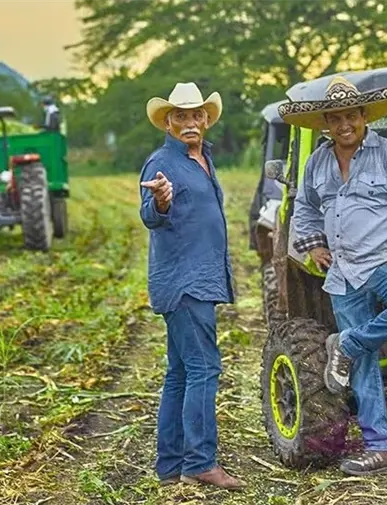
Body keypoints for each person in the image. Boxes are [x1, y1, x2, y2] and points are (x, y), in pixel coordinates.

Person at [277, 76, 387, 476]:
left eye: (351, 115)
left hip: (385, 263)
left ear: (364, 116)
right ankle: (380, 448)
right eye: (335, 118)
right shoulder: (317, 162)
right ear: (326, 123)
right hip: (343, 274)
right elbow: (306, 208)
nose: (344, 124)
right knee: (364, 364)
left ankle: (345, 344)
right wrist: (314, 244)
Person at [138, 82, 244, 490]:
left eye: (196, 115)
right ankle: (200, 461)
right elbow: (150, 213)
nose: (189, 122)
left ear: (206, 119)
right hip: (185, 283)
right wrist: (160, 201)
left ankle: (169, 466)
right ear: (168, 122)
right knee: (204, 368)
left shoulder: (202, 158)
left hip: (199, 278)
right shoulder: (161, 163)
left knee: (181, 372)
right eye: (180, 116)